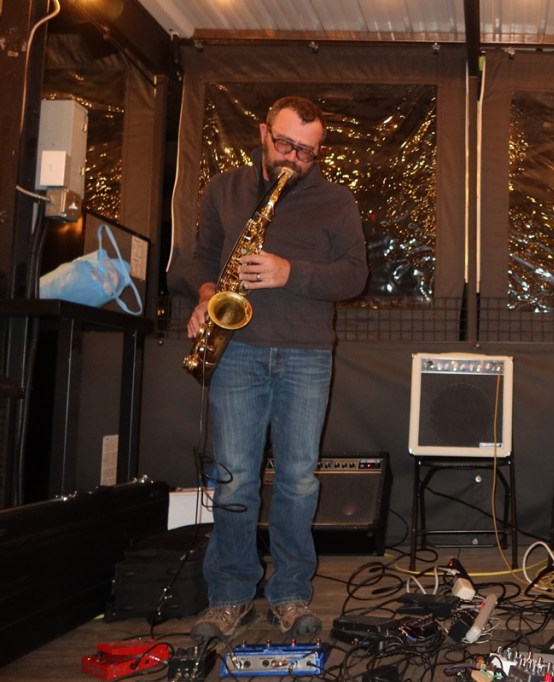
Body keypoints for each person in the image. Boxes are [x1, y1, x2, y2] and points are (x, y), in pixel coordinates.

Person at [186, 96, 368, 641]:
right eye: (286, 145)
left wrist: (291, 273)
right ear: (264, 133)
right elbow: (202, 257)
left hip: (307, 353)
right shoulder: (225, 189)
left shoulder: (336, 201)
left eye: (307, 152)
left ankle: (290, 594)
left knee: (298, 480)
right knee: (234, 478)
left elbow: (354, 276)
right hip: (237, 348)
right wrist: (206, 297)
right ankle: (230, 595)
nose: (293, 158)